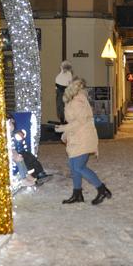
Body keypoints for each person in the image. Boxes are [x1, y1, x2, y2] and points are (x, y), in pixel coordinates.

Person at [55, 77, 112, 205]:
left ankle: (102, 189)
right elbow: (75, 122)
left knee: (79, 167)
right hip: (77, 137)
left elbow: (80, 121)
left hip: (83, 138)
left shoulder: (77, 101)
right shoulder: (74, 100)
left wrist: (63, 128)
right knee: (74, 167)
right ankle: (77, 194)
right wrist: (65, 133)